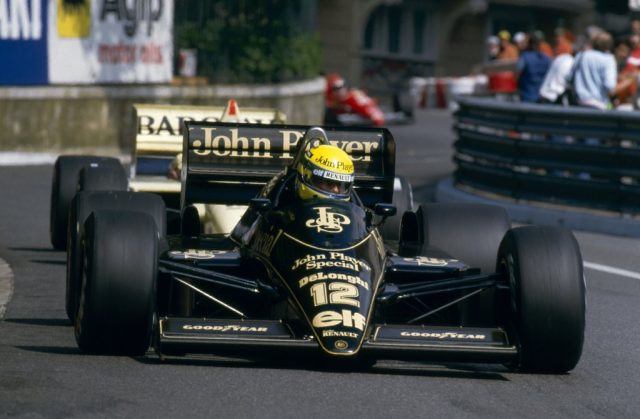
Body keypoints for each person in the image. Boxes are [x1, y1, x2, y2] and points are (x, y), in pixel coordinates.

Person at [572, 31, 625, 110]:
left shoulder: (581, 55)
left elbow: (570, 76)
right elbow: (609, 85)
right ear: (609, 45)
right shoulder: (609, 59)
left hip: (578, 103)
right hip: (598, 106)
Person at [516, 32, 551, 103]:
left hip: (527, 95)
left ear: (529, 44)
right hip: (542, 96)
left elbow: (517, 73)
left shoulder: (524, 57)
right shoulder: (546, 58)